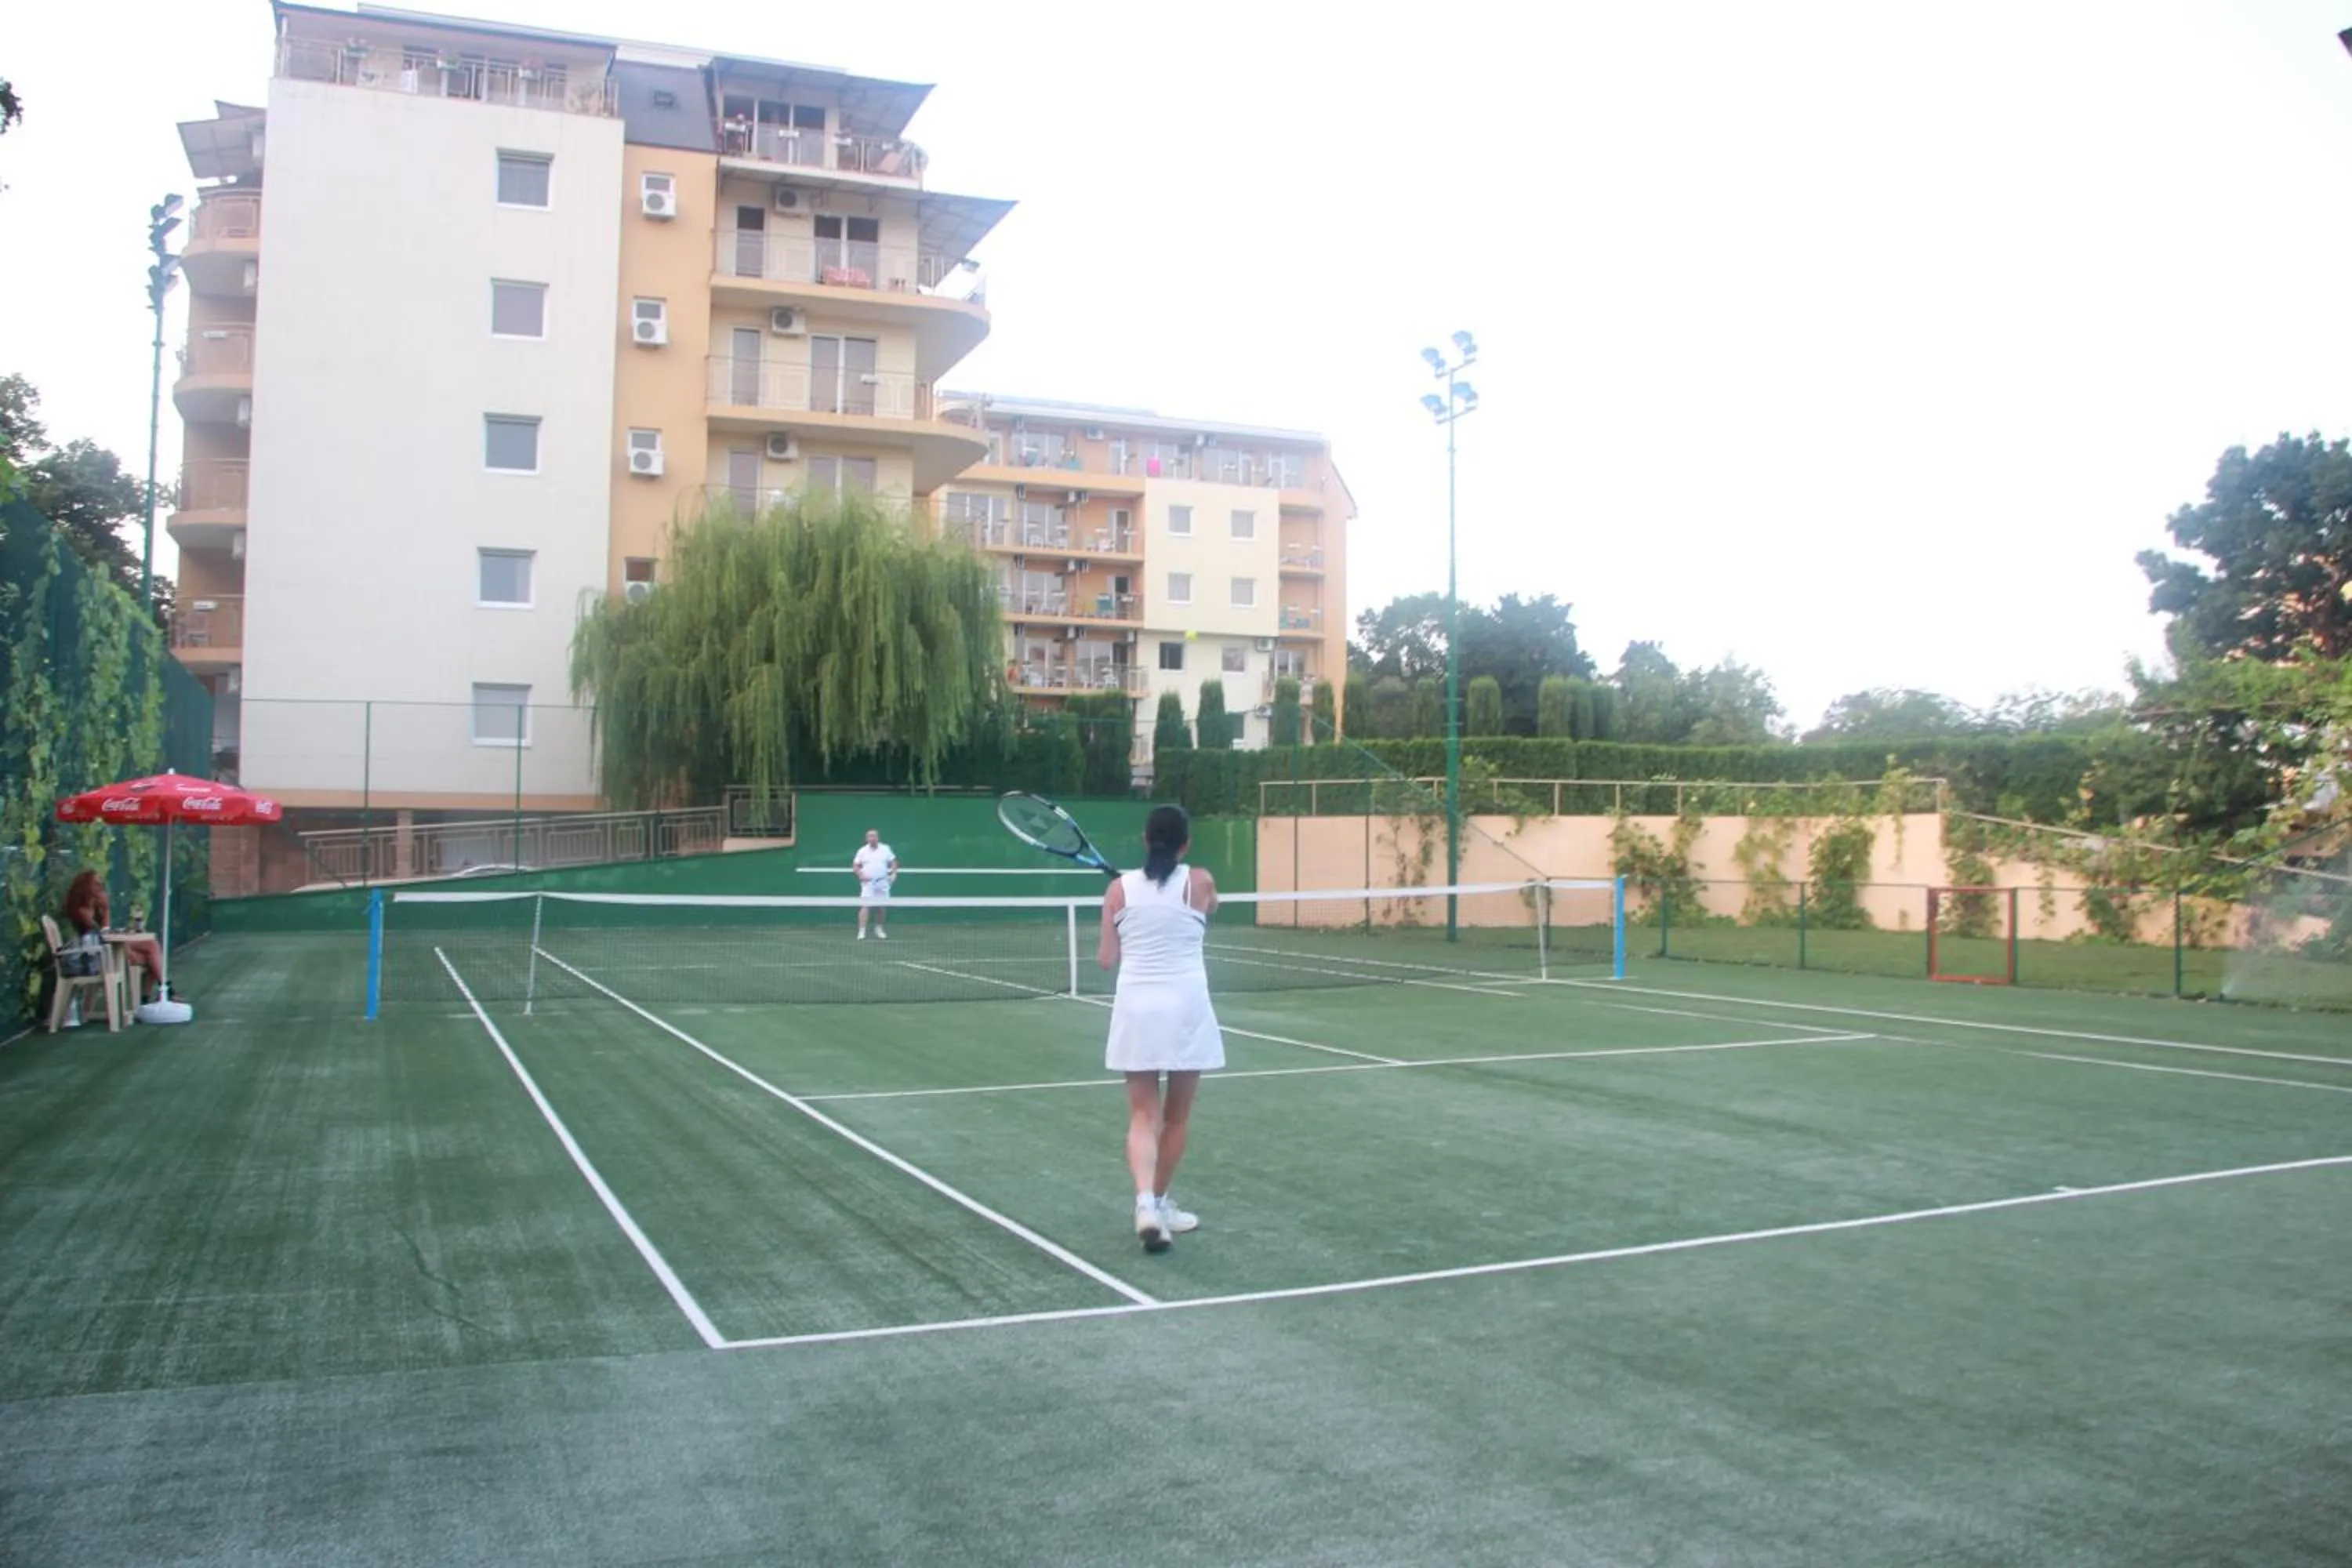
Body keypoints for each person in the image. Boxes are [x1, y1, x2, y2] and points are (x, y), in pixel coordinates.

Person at [1098, 804, 1224, 1252]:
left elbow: (1106, 959)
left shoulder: (1117, 889)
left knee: (1143, 1117)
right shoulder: (1202, 881)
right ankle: (1159, 1202)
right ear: (1186, 844)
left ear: (1144, 839)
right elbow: (1210, 909)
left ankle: (1146, 1205)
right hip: (1186, 1008)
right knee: (1177, 1117)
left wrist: (1120, 903)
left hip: (1137, 1008)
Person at [61, 869, 163, 1007]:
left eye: (100, 884)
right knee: (153, 958)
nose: (100, 888)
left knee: (152, 946)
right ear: (86, 886)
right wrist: (106, 908)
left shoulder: (96, 906)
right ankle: (161, 991)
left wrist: (105, 908)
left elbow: (106, 931)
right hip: (95, 953)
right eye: (96, 884)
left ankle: (157, 991)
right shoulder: (81, 910)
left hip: (106, 946)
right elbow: (99, 933)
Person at [851, 828, 898, 939]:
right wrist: (861, 875)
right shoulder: (862, 851)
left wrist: (893, 874)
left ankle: (879, 928)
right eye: (870, 836)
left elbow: (894, 863)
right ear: (867, 839)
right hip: (868, 884)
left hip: (883, 882)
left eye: (874, 836)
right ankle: (862, 931)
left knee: (881, 907)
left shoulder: (886, 849)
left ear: (878, 838)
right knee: (865, 906)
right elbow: (855, 866)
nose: (872, 838)